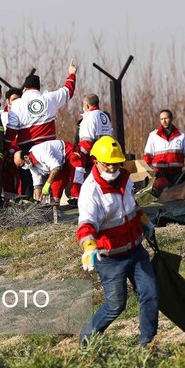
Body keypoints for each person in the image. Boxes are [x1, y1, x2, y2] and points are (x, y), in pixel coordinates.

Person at [76, 136, 157, 346]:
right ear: (95, 161)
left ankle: (146, 344)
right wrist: (88, 247)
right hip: (110, 258)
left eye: (116, 163)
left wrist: (144, 221)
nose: (112, 168)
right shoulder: (90, 190)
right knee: (116, 305)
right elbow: (86, 224)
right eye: (107, 164)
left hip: (135, 250)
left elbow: (133, 205)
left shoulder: (126, 178)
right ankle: (87, 336)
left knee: (150, 293)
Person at [4, 61, 77, 196]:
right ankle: (50, 205)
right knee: (51, 179)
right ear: (39, 88)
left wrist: (7, 148)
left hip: (26, 150)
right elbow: (68, 91)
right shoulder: (49, 98)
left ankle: (29, 206)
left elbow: (11, 131)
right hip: (49, 147)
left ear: (25, 89)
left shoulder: (17, 104)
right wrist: (71, 74)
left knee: (27, 181)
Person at [144, 109, 185, 195]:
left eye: (166, 118)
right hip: (160, 175)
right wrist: (145, 171)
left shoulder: (181, 136)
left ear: (171, 119)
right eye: (161, 119)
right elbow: (147, 156)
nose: (164, 121)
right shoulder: (153, 136)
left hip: (178, 175)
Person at [70, 93, 113, 203]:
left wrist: (78, 155)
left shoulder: (89, 117)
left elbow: (86, 142)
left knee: (79, 173)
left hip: (92, 157)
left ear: (87, 106)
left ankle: (76, 198)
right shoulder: (104, 116)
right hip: (104, 155)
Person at [13, 139, 83, 204]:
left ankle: (77, 200)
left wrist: (47, 185)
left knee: (76, 177)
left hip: (70, 153)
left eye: (22, 165)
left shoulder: (40, 152)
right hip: (60, 163)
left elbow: (56, 168)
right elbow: (38, 185)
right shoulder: (31, 165)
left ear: (26, 157)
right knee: (55, 187)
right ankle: (55, 205)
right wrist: (37, 201)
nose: (24, 167)